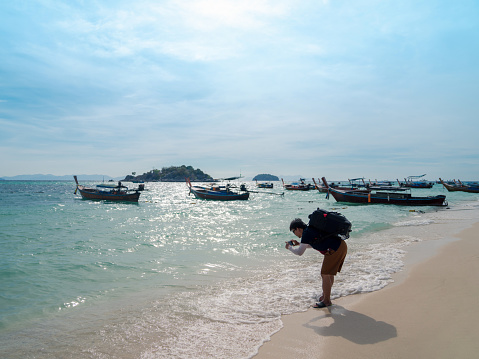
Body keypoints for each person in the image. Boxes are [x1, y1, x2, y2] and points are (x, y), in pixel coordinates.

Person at [286, 218, 347, 308]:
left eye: (294, 231)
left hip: (335, 249)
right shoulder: (310, 230)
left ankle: (326, 301)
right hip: (341, 246)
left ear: (298, 229)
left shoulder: (306, 234)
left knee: (325, 274)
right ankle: (325, 296)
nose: (294, 234)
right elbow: (315, 243)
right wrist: (300, 244)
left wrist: (289, 248)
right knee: (329, 274)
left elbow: (299, 253)